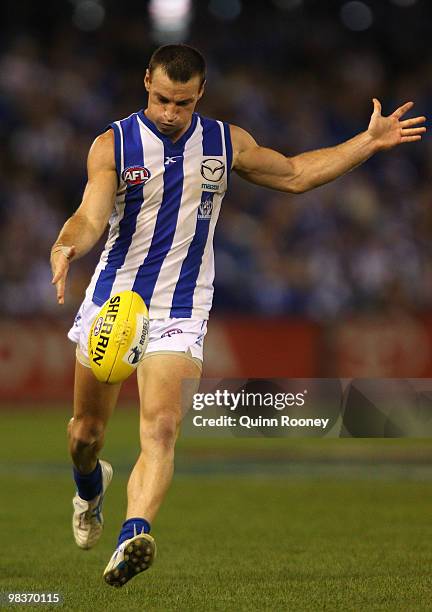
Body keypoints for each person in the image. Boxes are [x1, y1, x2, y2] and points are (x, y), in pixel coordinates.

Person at [50, 44, 426, 588]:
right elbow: (91, 213)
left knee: (161, 426)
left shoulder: (225, 143)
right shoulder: (113, 144)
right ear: (145, 85)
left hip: (182, 307)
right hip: (114, 302)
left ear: (200, 93)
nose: (170, 112)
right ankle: (88, 487)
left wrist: (367, 141)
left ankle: (134, 533)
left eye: (182, 101)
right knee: (86, 433)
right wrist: (66, 245)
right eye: (161, 100)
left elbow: (296, 173)